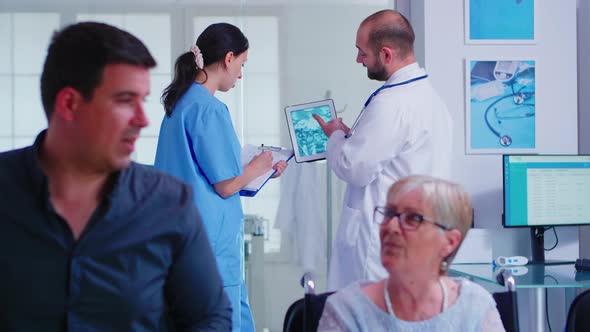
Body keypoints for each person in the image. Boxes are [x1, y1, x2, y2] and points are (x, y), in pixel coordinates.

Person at [0, 22, 232, 331]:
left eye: (143, 100)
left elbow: (210, 318)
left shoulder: (168, 204)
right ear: (69, 104)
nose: (142, 119)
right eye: (125, 100)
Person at [153, 23, 287, 332]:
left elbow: (207, 174)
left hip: (184, 240)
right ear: (228, 58)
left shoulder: (178, 106)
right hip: (210, 245)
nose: (240, 74)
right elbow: (225, 184)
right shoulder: (209, 109)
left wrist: (259, 171)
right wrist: (259, 164)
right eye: (242, 64)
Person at [313, 9, 453, 290]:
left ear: (387, 55)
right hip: (415, 240)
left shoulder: (392, 104)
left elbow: (354, 168)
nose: (358, 59)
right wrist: (353, 139)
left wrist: (336, 136)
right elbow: (391, 155)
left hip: (378, 246)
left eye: (362, 52)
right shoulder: (430, 99)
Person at [317, 175, 505, 331]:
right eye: (389, 214)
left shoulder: (475, 307)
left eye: (413, 218)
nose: (391, 226)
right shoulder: (347, 310)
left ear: (450, 242)